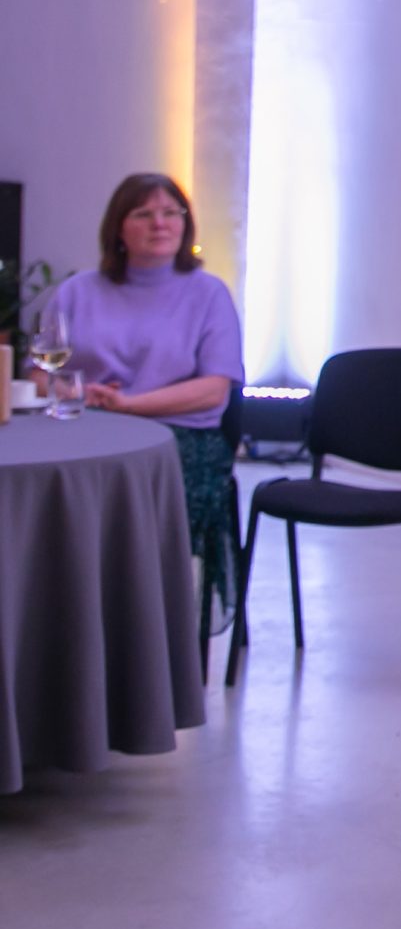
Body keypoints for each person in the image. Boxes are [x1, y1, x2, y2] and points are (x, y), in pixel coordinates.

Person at [37, 173, 245, 631]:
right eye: (144, 213)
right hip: (87, 426)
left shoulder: (209, 293)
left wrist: (129, 404)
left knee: (134, 500)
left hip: (180, 437)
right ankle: (61, 617)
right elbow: (41, 375)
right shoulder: (76, 291)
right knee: (51, 486)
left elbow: (214, 388)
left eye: (171, 213)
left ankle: (141, 628)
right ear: (118, 227)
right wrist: (80, 393)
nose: (160, 224)